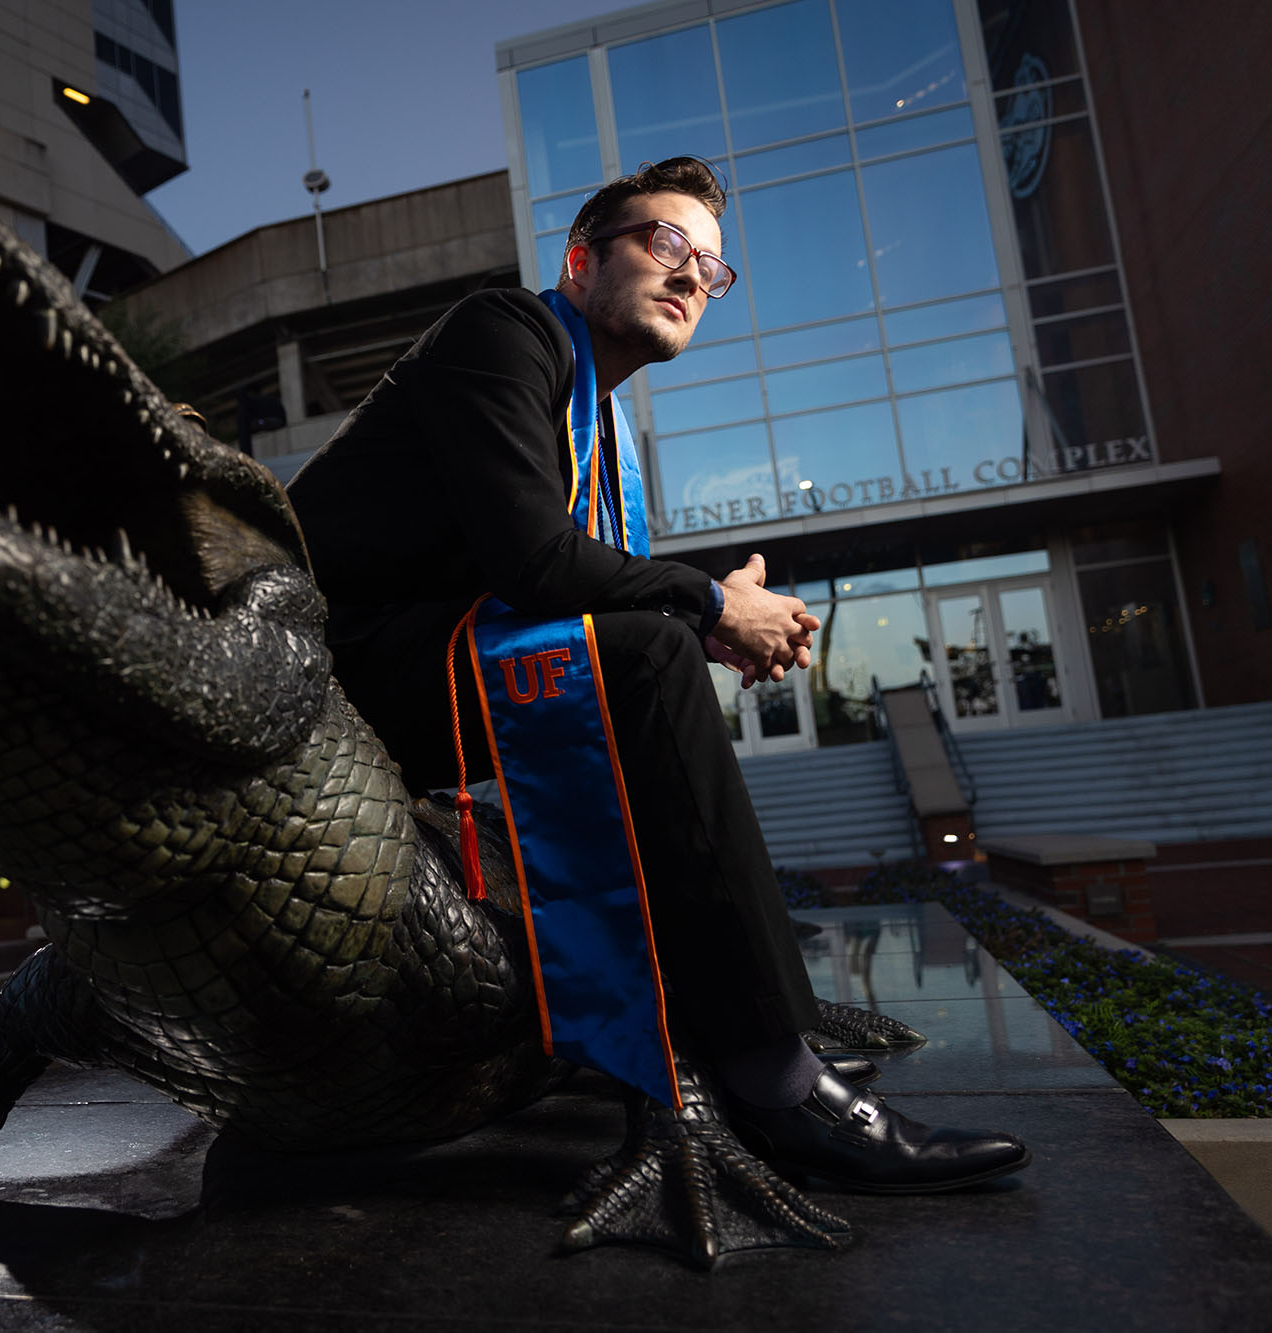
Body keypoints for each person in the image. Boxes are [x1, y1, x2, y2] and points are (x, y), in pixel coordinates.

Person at [286, 159, 1030, 1192]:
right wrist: (714, 605)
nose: (691, 277)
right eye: (664, 245)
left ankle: (735, 1034)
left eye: (712, 270)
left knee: (655, 646)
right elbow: (537, 564)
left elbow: (563, 585)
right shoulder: (501, 331)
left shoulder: (600, 413)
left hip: (423, 652)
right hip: (330, 677)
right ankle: (773, 1079)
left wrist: (710, 615)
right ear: (579, 259)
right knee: (645, 653)